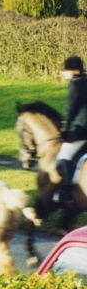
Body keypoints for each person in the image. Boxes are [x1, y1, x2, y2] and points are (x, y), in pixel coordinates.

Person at [56, 55, 87, 205]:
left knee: (64, 156)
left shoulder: (75, 85)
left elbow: (70, 110)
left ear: (74, 71)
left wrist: (64, 129)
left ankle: (66, 192)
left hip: (80, 130)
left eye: (65, 70)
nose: (64, 73)